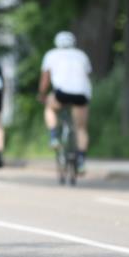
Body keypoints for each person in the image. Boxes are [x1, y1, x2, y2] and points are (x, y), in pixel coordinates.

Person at [38, 31, 92, 174]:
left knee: (49, 108)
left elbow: (45, 80)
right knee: (81, 128)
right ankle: (80, 161)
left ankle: (54, 136)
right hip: (81, 94)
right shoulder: (82, 55)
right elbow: (86, 76)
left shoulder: (50, 55)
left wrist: (42, 95)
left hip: (61, 93)